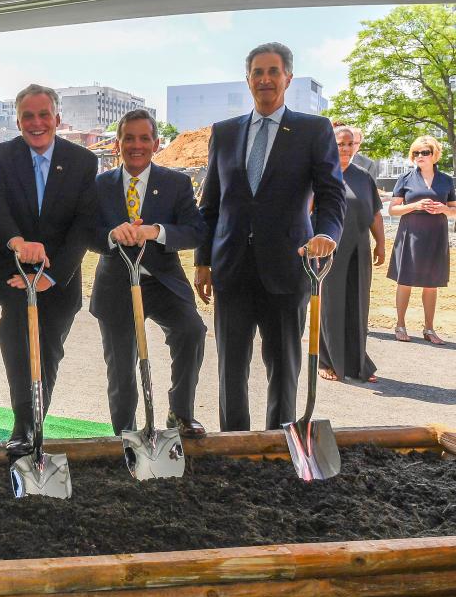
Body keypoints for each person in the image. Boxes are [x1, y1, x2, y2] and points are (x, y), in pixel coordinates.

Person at [194, 43, 345, 431]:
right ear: (248, 80)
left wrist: (326, 233)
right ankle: (234, 445)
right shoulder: (225, 133)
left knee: (283, 370)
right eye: (257, 72)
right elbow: (211, 204)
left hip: (287, 269)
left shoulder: (314, 130)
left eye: (273, 72)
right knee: (230, 371)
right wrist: (202, 261)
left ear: (287, 78)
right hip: (231, 271)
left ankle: (279, 445)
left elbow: (331, 195)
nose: (265, 79)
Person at [0, 83, 98, 457]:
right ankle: (25, 426)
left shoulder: (82, 161)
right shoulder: (0, 156)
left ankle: (33, 425)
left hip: (59, 279)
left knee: (46, 351)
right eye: (27, 116)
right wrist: (17, 242)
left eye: (43, 114)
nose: (36, 122)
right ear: (17, 121)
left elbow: (83, 224)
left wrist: (51, 275)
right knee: (15, 345)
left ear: (57, 118)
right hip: (13, 274)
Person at [90, 110, 208, 437]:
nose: (137, 145)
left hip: (163, 283)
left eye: (144, 138)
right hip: (117, 286)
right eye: (129, 138)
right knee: (121, 367)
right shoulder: (100, 186)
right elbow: (87, 232)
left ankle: (180, 413)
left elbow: (195, 231)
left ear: (156, 143)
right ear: (118, 144)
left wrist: (157, 231)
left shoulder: (176, 183)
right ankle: (125, 433)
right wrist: (112, 236)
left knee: (191, 331)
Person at [317, 126, 385, 383]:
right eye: (340, 143)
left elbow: (376, 213)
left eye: (349, 144)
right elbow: (305, 209)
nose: (345, 148)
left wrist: (380, 243)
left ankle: (358, 363)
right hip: (329, 248)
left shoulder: (364, 176)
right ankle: (327, 360)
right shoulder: (322, 173)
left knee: (358, 304)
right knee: (331, 305)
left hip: (359, 247)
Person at [387, 135, 456, 345]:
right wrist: (414, 206)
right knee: (405, 280)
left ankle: (429, 328)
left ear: (434, 154)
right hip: (411, 235)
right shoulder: (405, 179)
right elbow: (393, 209)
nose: (419, 156)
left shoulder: (446, 180)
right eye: (416, 153)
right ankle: (400, 325)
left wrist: (444, 209)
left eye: (424, 152)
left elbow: (454, 210)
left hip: (436, 236)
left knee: (432, 284)